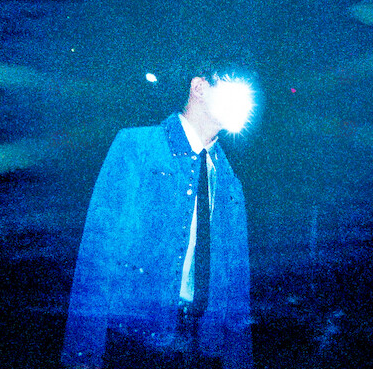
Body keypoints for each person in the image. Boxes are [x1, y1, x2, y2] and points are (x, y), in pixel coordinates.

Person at [61, 68, 255, 369]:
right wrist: (82, 355)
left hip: (202, 346)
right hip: (134, 339)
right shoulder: (137, 147)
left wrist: (238, 359)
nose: (243, 104)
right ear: (199, 88)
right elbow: (97, 253)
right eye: (234, 90)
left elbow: (237, 283)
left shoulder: (230, 182)